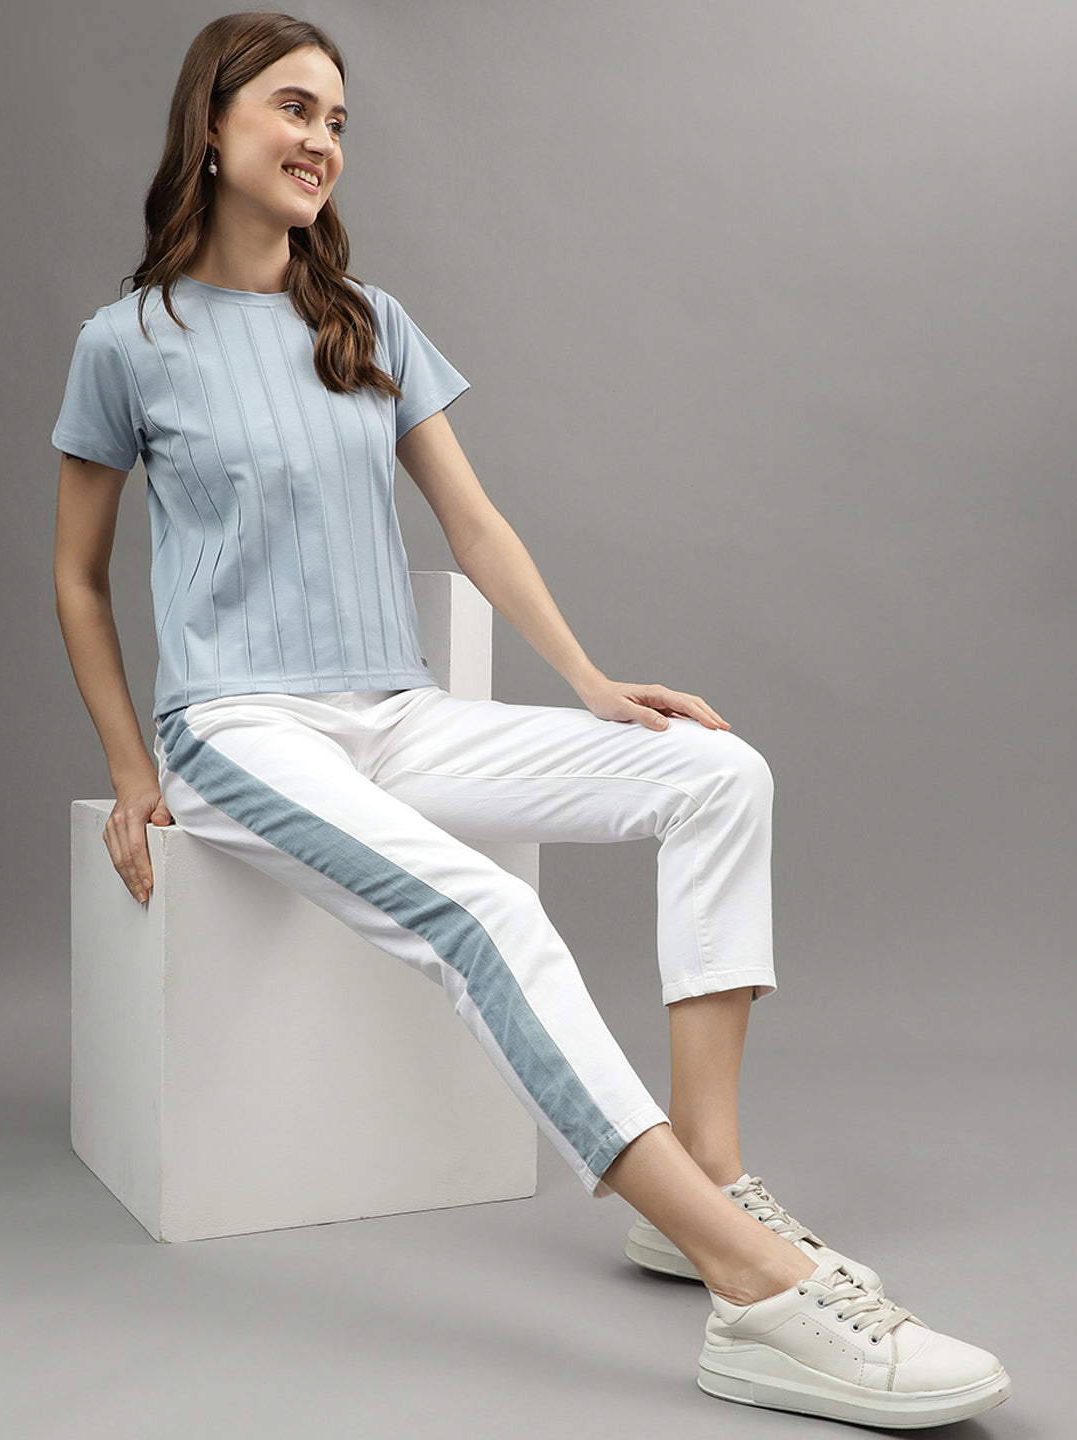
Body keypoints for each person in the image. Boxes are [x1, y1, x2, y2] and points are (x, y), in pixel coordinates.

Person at [52, 11, 1009, 1428]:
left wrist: (593, 685)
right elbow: (77, 578)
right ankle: (758, 1287)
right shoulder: (126, 342)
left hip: (399, 713)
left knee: (718, 773)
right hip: (240, 731)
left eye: (339, 122)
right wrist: (133, 768)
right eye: (295, 108)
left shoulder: (364, 319)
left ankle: (708, 1172)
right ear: (212, 125)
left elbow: (477, 527)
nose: (323, 140)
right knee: (487, 912)